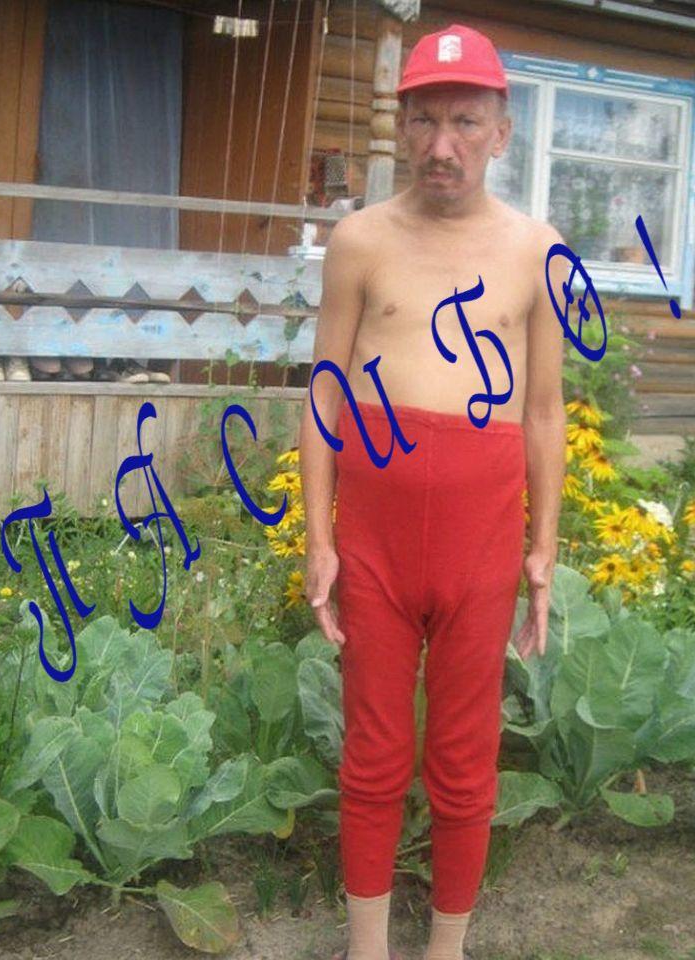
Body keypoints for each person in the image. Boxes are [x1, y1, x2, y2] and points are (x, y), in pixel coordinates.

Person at [297, 22, 569, 960]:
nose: (441, 145)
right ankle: (367, 947)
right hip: (374, 542)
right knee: (374, 750)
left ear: (501, 131)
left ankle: (447, 948)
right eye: (424, 121)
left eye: (465, 121)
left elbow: (543, 411)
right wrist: (319, 538)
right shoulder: (360, 240)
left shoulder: (537, 250)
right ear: (403, 127)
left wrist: (543, 549)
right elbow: (325, 395)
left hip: (479, 545)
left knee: (463, 753)